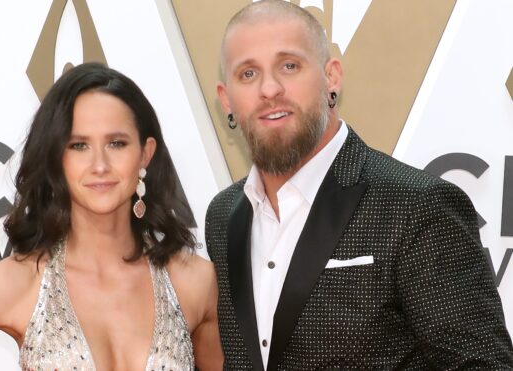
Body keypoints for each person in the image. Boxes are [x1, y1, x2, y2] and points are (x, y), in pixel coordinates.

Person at [204, 1, 513, 370]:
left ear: (331, 76)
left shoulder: (416, 205)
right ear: (227, 99)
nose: (269, 88)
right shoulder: (223, 215)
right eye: (248, 74)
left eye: (289, 65)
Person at [0, 63, 223, 370]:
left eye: (117, 143)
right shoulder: (19, 282)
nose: (100, 165)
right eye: (78, 145)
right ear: (55, 158)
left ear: (145, 154)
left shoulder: (194, 282)